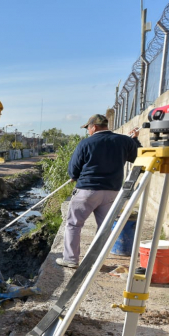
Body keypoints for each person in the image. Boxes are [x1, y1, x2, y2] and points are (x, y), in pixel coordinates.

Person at [56, 114, 140, 269]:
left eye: (88, 128)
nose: (88, 131)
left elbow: (73, 170)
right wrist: (134, 140)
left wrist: (74, 176)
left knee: (74, 224)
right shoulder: (124, 141)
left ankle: (71, 259)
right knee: (104, 228)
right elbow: (137, 157)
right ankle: (96, 262)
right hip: (111, 192)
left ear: (93, 127)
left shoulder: (86, 143)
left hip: (87, 190)